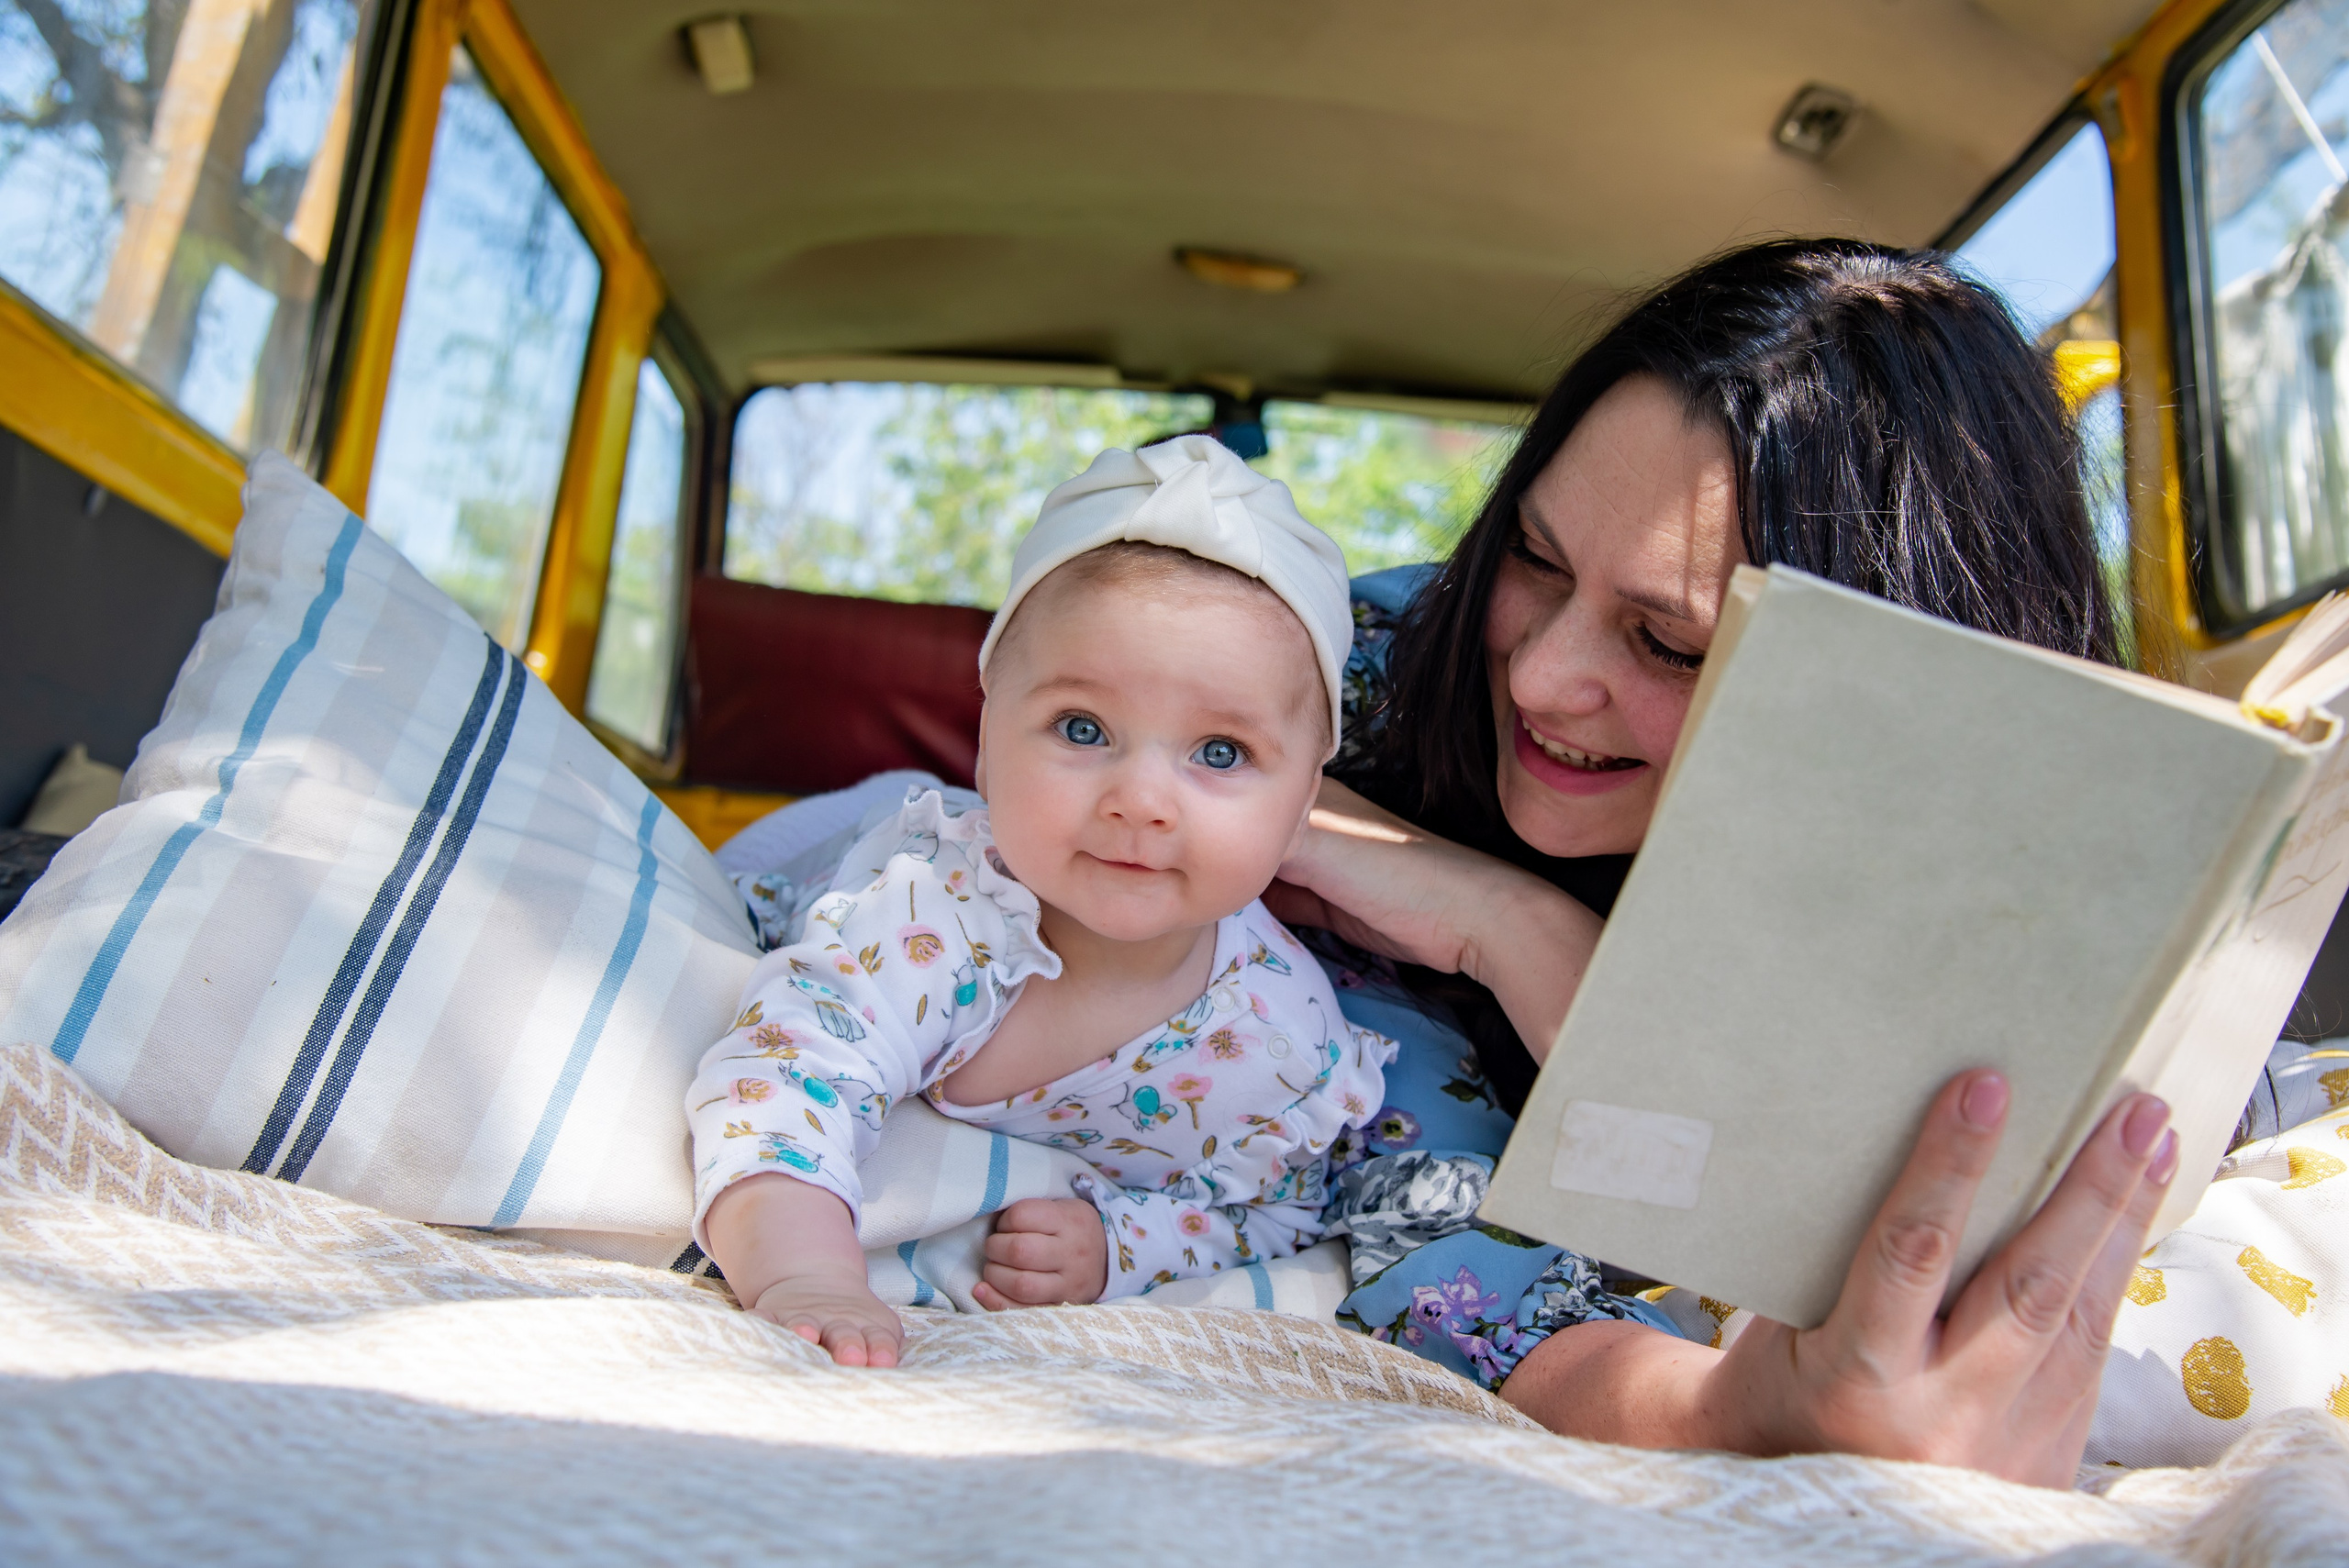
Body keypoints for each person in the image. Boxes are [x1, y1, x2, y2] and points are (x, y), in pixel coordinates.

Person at [1267, 239, 2177, 1487]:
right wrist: (1726, 1420)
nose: (1539, 675)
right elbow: (1437, 1247)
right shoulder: (1349, 689)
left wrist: (1524, 936)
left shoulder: (2001, 897)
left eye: (1666, 643)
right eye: (1535, 559)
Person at [688, 435, 1394, 1368]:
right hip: (838, 849)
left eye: (1219, 752)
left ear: (1305, 798)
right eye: (1082, 727)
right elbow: (787, 1069)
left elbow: (1276, 1204)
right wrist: (804, 1272)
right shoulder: (928, 908)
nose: (1141, 798)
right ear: (985, 736)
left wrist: (1125, 1243)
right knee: (768, 875)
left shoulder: (1279, 1039)